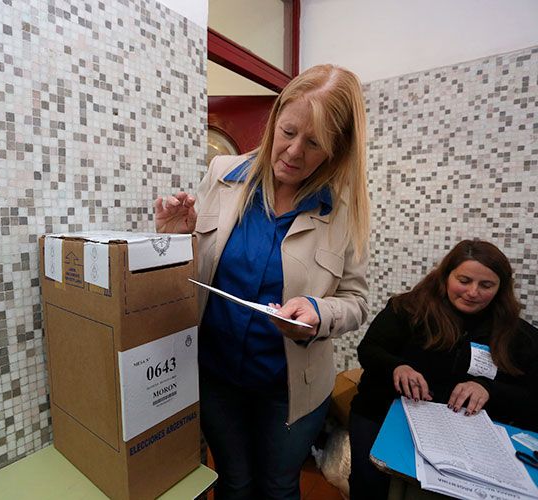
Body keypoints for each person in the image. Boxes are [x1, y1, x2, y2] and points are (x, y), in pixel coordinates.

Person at [154, 64, 370, 499]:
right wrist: (174, 241)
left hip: (289, 388)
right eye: (287, 132)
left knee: (277, 485)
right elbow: (185, 278)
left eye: (314, 143)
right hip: (216, 375)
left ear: (336, 150)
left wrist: (318, 311)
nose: (292, 151)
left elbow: (356, 301)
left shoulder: (343, 212)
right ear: (274, 122)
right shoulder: (221, 174)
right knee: (233, 481)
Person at [349, 239, 538, 500]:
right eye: (464, 280)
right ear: (446, 276)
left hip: (461, 433)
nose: (473, 292)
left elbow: (531, 396)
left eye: (486, 285)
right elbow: (368, 350)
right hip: (383, 414)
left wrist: (488, 388)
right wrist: (396, 366)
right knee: (370, 484)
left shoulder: (516, 334)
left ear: (500, 289)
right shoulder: (407, 309)